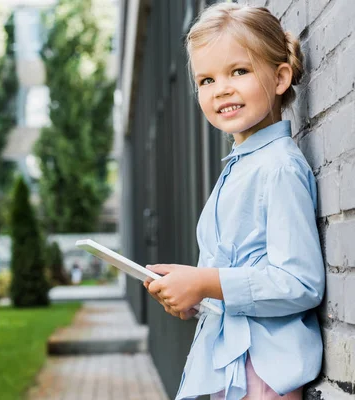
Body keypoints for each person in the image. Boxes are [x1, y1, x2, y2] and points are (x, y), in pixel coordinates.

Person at [143, 4, 325, 400]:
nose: (221, 88)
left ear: (280, 78)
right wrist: (193, 295)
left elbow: (300, 283)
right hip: (230, 364)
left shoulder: (278, 168)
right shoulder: (241, 167)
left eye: (238, 71)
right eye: (206, 79)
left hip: (262, 373)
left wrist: (206, 281)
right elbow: (236, 275)